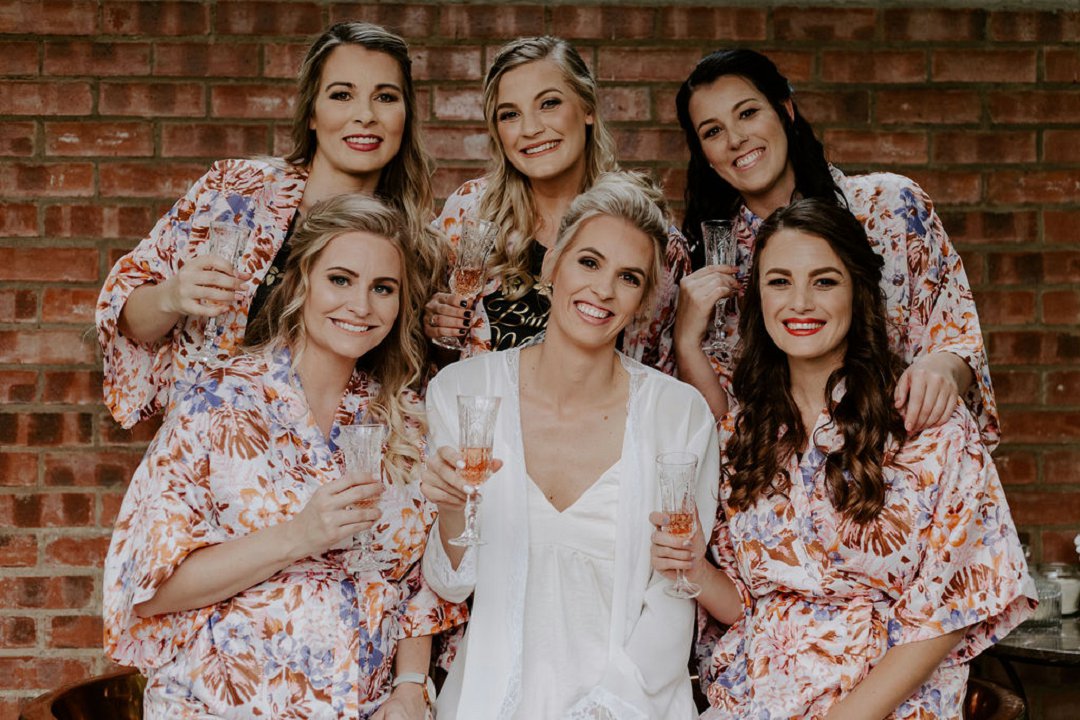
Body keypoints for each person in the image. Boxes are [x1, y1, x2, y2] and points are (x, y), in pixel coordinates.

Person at [652, 199, 1035, 719]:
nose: (800, 302)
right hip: (755, 701)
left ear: (857, 291)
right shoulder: (742, 433)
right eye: (779, 282)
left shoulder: (927, 423)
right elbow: (747, 603)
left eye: (825, 281)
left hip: (888, 706)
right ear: (758, 297)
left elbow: (953, 604)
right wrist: (694, 567)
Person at [103, 195, 466, 719]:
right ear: (301, 283)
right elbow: (150, 590)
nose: (361, 305)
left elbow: (416, 582)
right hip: (222, 708)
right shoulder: (217, 403)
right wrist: (299, 535)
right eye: (340, 279)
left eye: (382, 288)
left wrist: (410, 686)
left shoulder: (406, 421)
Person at [421, 173, 718, 719]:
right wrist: (450, 508)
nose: (603, 290)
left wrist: (606, 709)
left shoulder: (679, 415)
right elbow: (450, 584)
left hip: (632, 705)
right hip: (490, 700)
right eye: (589, 262)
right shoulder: (461, 393)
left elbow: (674, 597)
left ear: (644, 298)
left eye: (628, 277)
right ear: (552, 264)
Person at [97, 21, 443, 429]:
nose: (365, 116)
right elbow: (127, 319)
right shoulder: (233, 192)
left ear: (406, 114)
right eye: (342, 95)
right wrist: (171, 296)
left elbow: (417, 385)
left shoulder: (418, 245)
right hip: (211, 443)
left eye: (385, 97)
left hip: (330, 456)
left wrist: (440, 332)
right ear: (311, 112)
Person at [672, 48, 998, 448]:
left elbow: (958, 336)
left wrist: (944, 367)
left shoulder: (892, 207)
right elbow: (719, 434)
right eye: (712, 131)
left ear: (785, 111)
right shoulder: (707, 260)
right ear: (703, 154)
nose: (736, 139)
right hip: (778, 476)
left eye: (748, 113)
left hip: (902, 459)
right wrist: (686, 340)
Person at [423, 35, 690, 375]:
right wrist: (435, 330)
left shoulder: (644, 232)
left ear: (587, 108)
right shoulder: (468, 212)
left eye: (549, 103)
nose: (531, 128)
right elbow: (437, 364)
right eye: (510, 114)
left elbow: (659, 372)